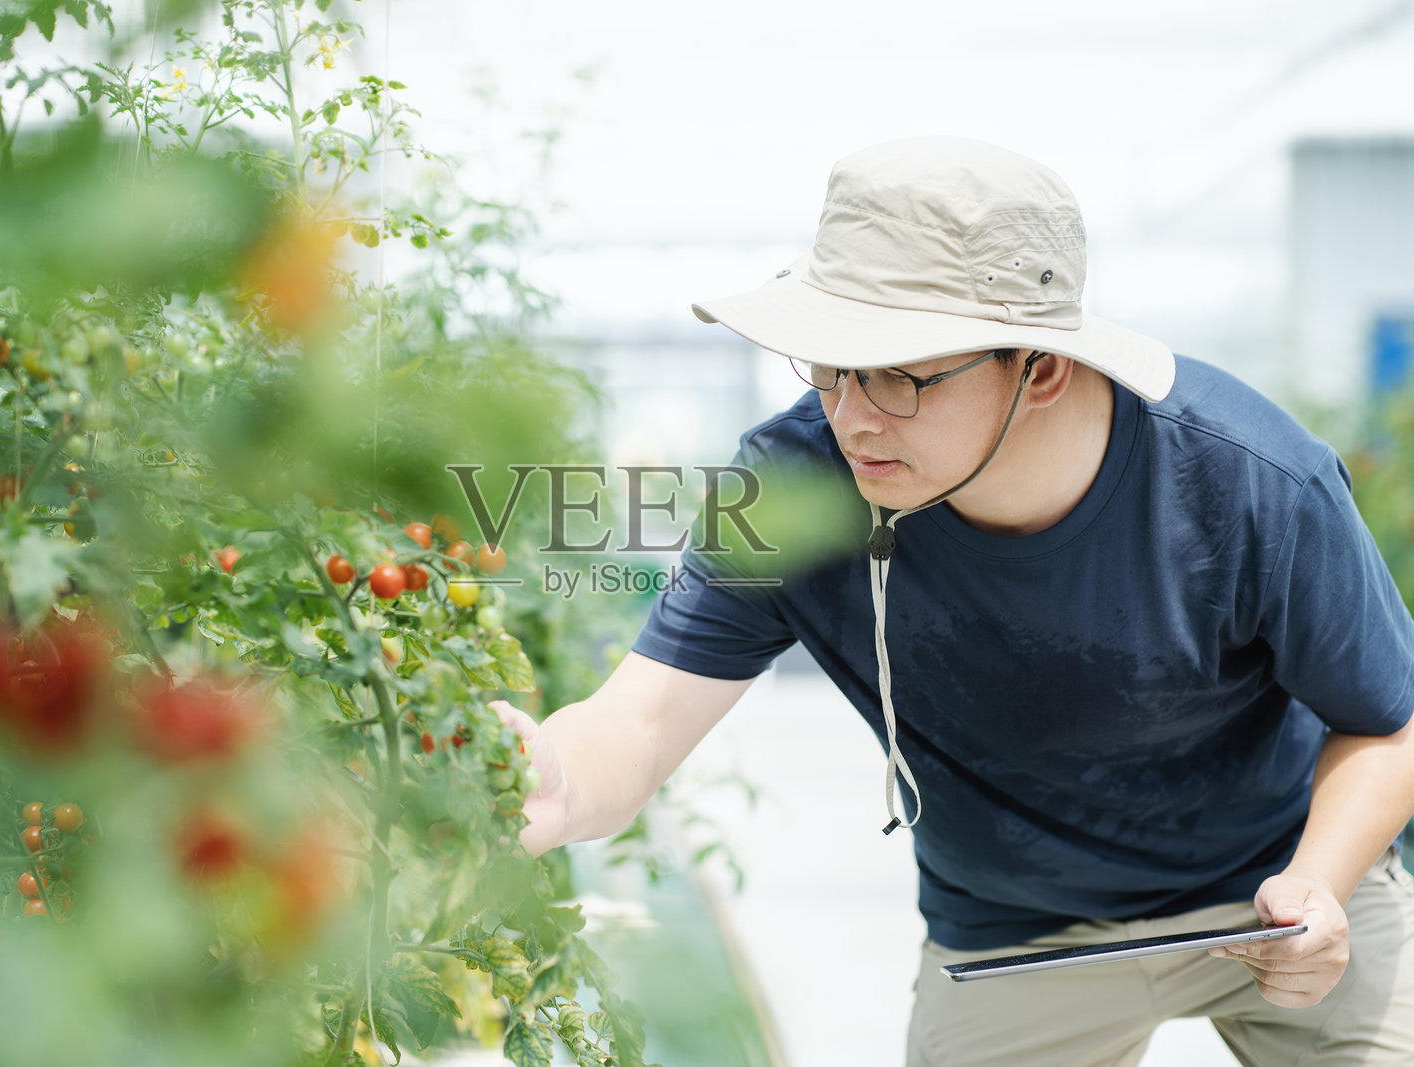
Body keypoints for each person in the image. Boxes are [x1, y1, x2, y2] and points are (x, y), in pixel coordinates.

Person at [492, 137, 1414, 1065]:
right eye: (829, 364)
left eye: (900, 372)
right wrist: (558, 782)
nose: (852, 414)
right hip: (1015, 931)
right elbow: (644, 716)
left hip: (1277, 884)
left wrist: (1318, 889)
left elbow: (1390, 721)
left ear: (1039, 368)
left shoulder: (1250, 482)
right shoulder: (797, 486)